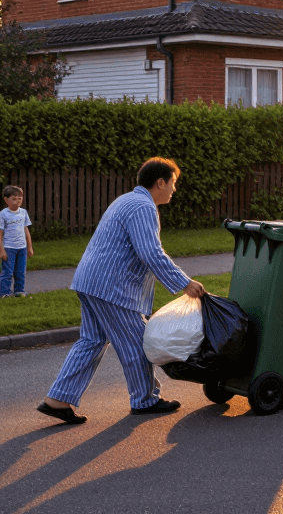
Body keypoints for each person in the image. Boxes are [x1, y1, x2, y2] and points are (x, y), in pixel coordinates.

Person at [39, 158, 206, 425]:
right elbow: (150, 252)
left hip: (91, 281)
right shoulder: (143, 207)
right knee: (138, 342)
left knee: (91, 341)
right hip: (112, 287)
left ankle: (57, 399)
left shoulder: (127, 200)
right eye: (173, 183)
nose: (174, 189)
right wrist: (184, 283)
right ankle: (145, 400)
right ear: (160, 182)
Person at [0, 185, 33, 298]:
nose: (18, 200)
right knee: (8, 272)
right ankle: (5, 293)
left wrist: (29, 247)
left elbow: (26, 230)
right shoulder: (3, 214)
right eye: (14, 198)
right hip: (9, 248)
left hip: (22, 248)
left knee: (21, 271)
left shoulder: (23, 212)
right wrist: (2, 250)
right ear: (6, 200)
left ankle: (19, 290)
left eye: (20, 198)